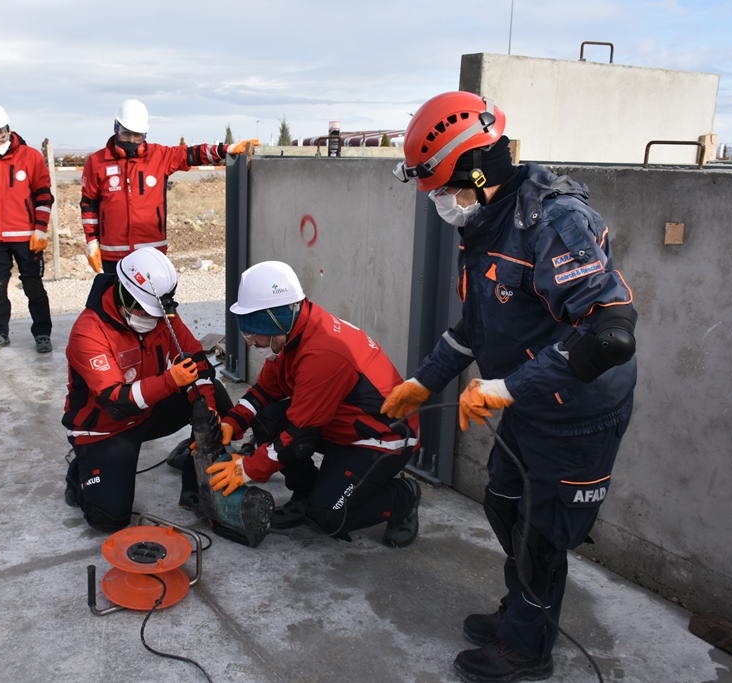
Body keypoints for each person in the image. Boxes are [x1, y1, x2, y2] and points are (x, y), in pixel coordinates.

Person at [384, 91, 637, 682]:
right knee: (504, 502)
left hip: (578, 410)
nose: (441, 203)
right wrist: (423, 383)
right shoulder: (487, 225)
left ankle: (528, 647)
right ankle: (522, 607)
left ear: (475, 170)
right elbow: (477, 327)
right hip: (531, 400)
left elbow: (609, 336)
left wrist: (504, 389)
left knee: (543, 535)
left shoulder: (554, 222)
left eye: (445, 189)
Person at [206, 261, 422, 548]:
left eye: (252, 333)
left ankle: (403, 497)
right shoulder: (292, 332)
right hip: (341, 423)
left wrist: (246, 468)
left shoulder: (322, 353)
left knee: (328, 517)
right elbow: (264, 391)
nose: (248, 342)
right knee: (267, 420)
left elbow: (297, 437)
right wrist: (232, 422)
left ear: (274, 321)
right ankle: (305, 494)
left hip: (380, 440)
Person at [62, 246, 230, 532]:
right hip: (105, 429)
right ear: (124, 294)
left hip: (147, 412)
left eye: (157, 313)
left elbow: (198, 364)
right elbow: (115, 400)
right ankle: (81, 471)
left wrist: (208, 411)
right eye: (145, 310)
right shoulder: (88, 331)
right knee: (110, 518)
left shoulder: (163, 316)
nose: (152, 320)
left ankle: (196, 484)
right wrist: (170, 381)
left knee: (215, 396)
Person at [80, 99, 257, 274]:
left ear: (145, 135)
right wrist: (92, 242)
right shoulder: (97, 162)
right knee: (113, 301)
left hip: (152, 253)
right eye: (126, 134)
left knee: (152, 302)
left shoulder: (159, 156)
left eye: (138, 136)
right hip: (113, 254)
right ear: (115, 128)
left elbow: (192, 154)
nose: (132, 141)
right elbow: (89, 204)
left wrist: (227, 149)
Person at [0, 103, 54, 354]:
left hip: (26, 237)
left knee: (33, 286)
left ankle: (42, 333)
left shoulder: (30, 156)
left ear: (9, 129)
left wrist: (40, 229)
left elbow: (44, 195)